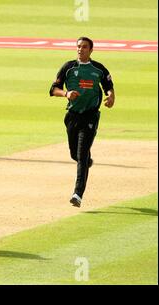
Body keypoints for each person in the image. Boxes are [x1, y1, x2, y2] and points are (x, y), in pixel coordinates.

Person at [49, 37, 115, 207]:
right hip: (72, 115)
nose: (81, 49)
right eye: (79, 46)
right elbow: (53, 89)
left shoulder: (98, 69)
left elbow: (108, 85)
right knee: (75, 154)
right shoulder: (69, 67)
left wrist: (111, 96)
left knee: (82, 154)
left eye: (84, 47)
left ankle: (77, 194)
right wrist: (66, 94)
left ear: (91, 50)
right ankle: (86, 161)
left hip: (90, 116)